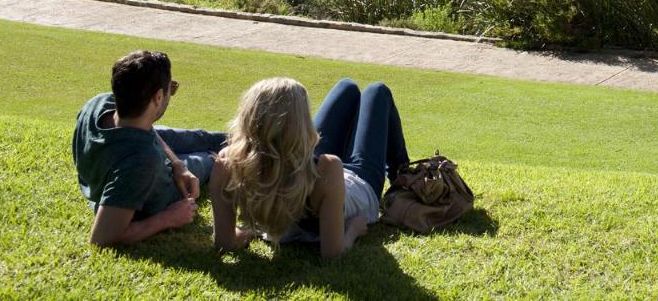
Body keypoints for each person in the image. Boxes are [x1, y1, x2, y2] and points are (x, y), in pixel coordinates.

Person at [211, 77, 410, 259]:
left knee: (347, 87)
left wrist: (251, 231)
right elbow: (334, 253)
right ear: (300, 124)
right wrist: (353, 230)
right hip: (358, 187)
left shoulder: (227, 164)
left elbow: (225, 243)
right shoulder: (328, 167)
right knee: (377, 91)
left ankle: (404, 175)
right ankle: (405, 178)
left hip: (306, 166)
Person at [72, 49, 227, 247]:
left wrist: (178, 164)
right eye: (171, 88)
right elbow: (101, 238)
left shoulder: (99, 103)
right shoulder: (140, 161)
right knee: (211, 157)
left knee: (201, 137)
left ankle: (256, 138)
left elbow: (143, 130)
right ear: (158, 96)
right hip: (163, 187)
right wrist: (167, 218)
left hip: (155, 148)